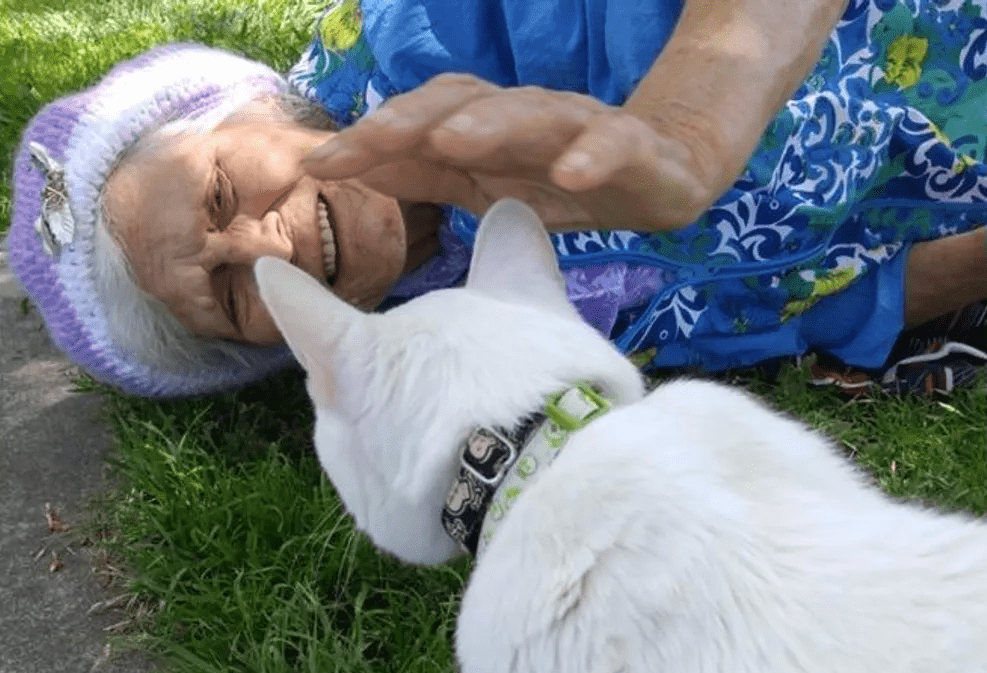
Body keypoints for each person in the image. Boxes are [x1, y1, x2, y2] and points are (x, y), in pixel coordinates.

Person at [9, 0, 987, 398]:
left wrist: (691, 126)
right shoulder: (478, 360)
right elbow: (841, 304)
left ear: (255, 106)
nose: (263, 249)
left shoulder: (427, 23)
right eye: (228, 295)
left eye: (221, 190)